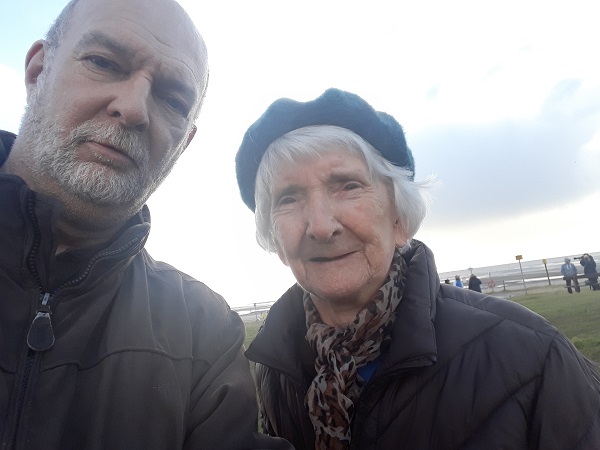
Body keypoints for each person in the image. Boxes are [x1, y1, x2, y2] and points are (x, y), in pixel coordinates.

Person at [235, 88, 600, 449]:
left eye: (347, 186)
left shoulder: (532, 358)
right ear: (276, 238)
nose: (320, 225)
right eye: (289, 198)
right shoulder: (272, 368)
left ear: (399, 220)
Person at [0, 0, 292, 448]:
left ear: (185, 142)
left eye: (173, 99)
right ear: (39, 70)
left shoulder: (204, 332)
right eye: (102, 62)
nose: (134, 108)